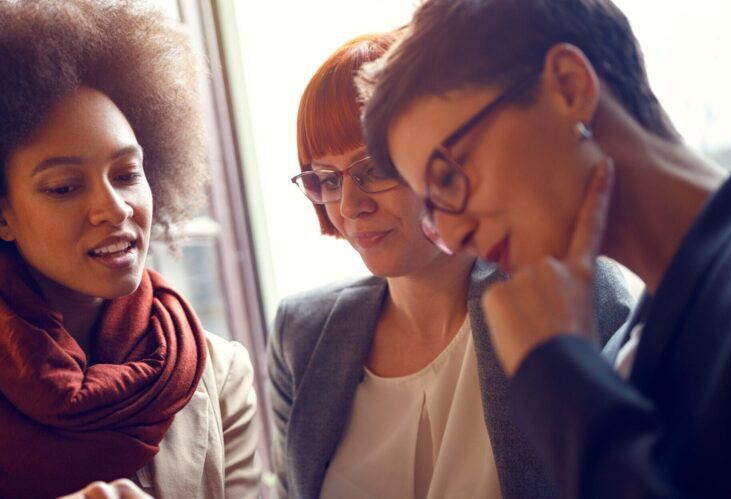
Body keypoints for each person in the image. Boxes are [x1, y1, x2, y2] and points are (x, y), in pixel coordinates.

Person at [0, 1, 261, 498]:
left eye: (126, 174)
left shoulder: (219, 374)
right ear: (0, 216)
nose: (114, 208)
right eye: (63, 187)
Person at [361, 0, 731, 497]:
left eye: (448, 176)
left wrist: (555, 370)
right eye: (432, 210)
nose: (452, 239)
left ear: (568, 86)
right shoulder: (629, 347)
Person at [269, 33, 632, 499]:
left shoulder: (563, 290)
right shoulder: (300, 332)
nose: (349, 205)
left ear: (440, 161)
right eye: (325, 179)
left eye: (374, 169)